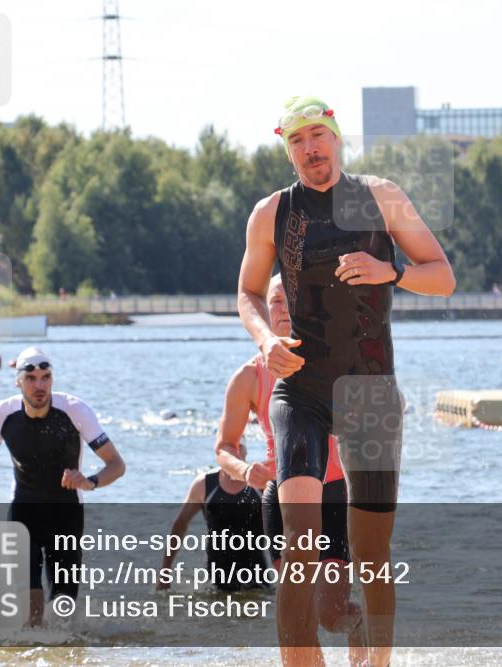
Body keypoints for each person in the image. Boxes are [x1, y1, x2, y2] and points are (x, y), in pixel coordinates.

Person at [237, 96, 454, 667]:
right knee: (300, 546)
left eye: (319, 136)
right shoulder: (271, 213)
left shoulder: (381, 197)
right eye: (298, 141)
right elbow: (248, 293)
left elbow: (444, 276)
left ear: (336, 139)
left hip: (371, 391)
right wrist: (265, 340)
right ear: (289, 151)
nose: (311, 148)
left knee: (371, 551)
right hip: (301, 390)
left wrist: (394, 272)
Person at [215, 276, 365, 663]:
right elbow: (223, 447)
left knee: (329, 615)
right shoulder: (248, 377)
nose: (283, 309)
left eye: (290, 301)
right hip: (280, 501)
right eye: (275, 301)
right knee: (299, 616)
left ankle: (357, 625)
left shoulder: (333, 363)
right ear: (263, 311)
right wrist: (246, 470)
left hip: (333, 495)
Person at [0, 347, 126, 625]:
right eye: (31, 378)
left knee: (62, 614)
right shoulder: (2, 415)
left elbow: (116, 464)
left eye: (46, 377)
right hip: (24, 513)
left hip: (66, 514)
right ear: (17, 381)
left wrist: (90, 481)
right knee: (32, 612)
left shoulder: (75, 411)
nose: (40, 385)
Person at [158, 442, 271, 592]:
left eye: (239, 447)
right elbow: (180, 525)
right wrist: (165, 571)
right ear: (221, 455)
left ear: (245, 451)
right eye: (231, 450)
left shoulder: (261, 484)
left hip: (256, 574)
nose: (236, 454)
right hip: (217, 575)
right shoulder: (204, 484)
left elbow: (284, 527)